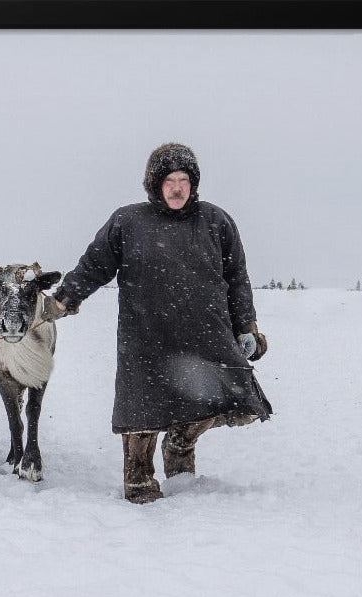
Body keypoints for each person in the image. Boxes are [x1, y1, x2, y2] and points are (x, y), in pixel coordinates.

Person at [50, 142, 272, 503]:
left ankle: (181, 449)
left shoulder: (216, 221)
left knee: (227, 396)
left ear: (194, 184)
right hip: (145, 336)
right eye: (169, 180)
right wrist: (64, 299)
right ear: (154, 184)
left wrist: (246, 326)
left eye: (184, 179)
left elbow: (236, 279)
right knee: (142, 409)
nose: (177, 187)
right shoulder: (128, 221)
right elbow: (94, 266)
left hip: (204, 334)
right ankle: (139, 479)